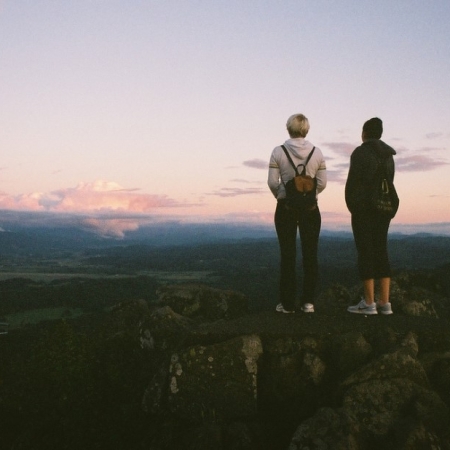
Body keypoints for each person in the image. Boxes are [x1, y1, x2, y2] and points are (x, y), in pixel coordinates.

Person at [268, 114, 327, 313]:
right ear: (306, 129)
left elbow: (271, 182)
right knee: (310, 255)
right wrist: (310, 195)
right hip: (311, 209)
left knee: (288, 254)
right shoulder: (317, 153)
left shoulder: (278, 152)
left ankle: (287, 304)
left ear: (288, 128)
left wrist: (282, 196)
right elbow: (322, 183)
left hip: (286, 208)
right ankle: (308, 302)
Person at [345, 117, 396, 315]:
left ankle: (368, 303)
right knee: (381, 249)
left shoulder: (360, 152)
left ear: (365, 133)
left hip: (364, 210)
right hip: (384, 209)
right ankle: (385, 302)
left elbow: (353, 183)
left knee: (365, 250)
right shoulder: (389, 156)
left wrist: (353, 207)